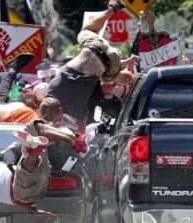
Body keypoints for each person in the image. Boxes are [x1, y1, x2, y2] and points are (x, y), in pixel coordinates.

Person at [45, 0, 139, 133]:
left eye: (57, 119)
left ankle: (142, 81)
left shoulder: (73, 108)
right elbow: (44, 108)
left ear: (60, 110)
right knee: (85, 31)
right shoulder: (49, 90)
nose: (58, 122)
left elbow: (81, 126)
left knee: (109, 77)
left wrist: (80, 144)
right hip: (96, 48)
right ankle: (112, 8)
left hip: (109, 62)